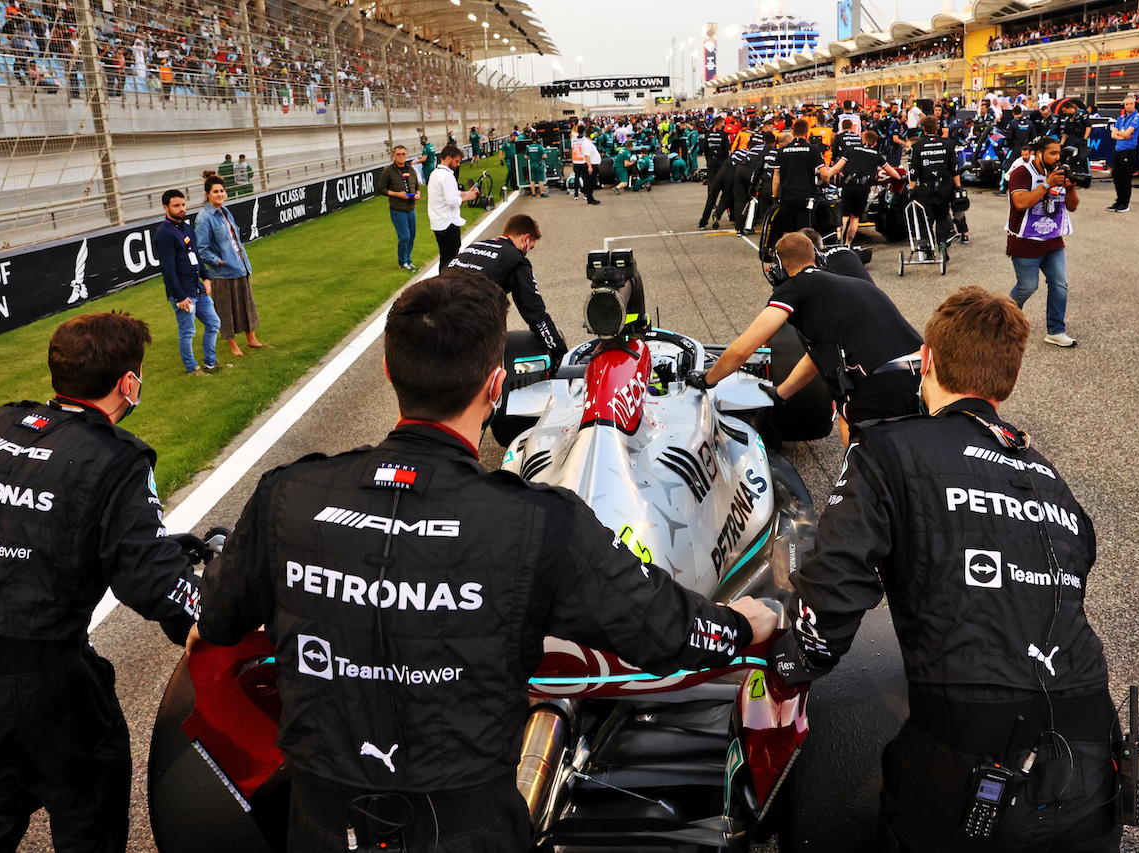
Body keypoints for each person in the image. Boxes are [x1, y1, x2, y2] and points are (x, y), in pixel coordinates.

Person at [196, 271, 774, 853]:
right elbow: (664, 630)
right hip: (468, 827)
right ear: (496, 385)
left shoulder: (286, 495)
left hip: (322, 824)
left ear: (390, 371)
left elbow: (215, 620)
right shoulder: (540, 522)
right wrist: (743, 625)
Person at [756, 286, 1121, 853]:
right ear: (1009, 379)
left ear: (925, 360)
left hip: (967, 764)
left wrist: (776, 657)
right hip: (1096, 755)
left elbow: (824, 617)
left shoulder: (887, 451)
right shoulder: (1052, 478)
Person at [0, 311, 203, 853]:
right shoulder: (118, 458)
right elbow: (150, 579)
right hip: (42, 680)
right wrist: (206, 615)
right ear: (128, 383)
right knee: (90, 810)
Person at [686, 232, 922, 445]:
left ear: (777, 268)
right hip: (924, 373)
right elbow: (818, 357)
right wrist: (781, 394)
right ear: (817, 256)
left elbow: (744, 347)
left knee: (866, 459)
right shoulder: (848, 284)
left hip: (880, 379)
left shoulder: (795, 287)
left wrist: (708, 379)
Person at [447, 214, 567, 365]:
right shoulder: (516, 260)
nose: (528, 250)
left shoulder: (473, 247)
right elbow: (535, 313)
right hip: (466, 329)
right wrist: (560, 351)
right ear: (526, 239)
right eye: (530, 247)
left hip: (432, 315)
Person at [1007, 136, 1081, 348]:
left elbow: (1073, 206)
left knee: (1060, 284)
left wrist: (1071, 187)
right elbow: (1020, 203)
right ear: (1039, 154)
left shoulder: (1060, 173)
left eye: (1059, 153)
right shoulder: (1021, 173)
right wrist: (1047, 185)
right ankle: (1001, 322)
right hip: (1025, 240)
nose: (1058, 157)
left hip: (1052, 240)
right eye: (1053, 153)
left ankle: (1056, 331)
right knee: (1027, 287)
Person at [196, 174, 270, 357]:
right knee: (226, 310)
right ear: (208, 194)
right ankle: (233, 346)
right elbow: (202, 249)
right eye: (216, 192)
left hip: (240, 266)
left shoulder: (224, 211)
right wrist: (220, 262)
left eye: (222, 191)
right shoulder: (204, 218)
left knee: (246, 305)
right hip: (222, 273)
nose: (220, 194)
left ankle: (252, 340)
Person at [155, 189, 220, 375]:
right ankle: (192, 368)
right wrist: (180, 296)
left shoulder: (187, 227)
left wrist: (206, 278)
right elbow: (168, 270)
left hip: (198, 288)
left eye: (183, 204)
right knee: (187, 332)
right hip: (183, 293)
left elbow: (196, 257)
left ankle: (211, 362)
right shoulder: (164, 234)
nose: (182, 209)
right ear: (165, 207)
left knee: (214, 323)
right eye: (176, 206)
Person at [772, 119, 844, 235]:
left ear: (793, 133)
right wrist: (825, 183)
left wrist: (775, 196)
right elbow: (825, 174)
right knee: (804, 232)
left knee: (787, 232)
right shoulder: (813, 150)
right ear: (806, 133)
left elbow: (776, 178)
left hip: (787, 197)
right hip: (805, 196)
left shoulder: (782, 151)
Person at [837, 129, 901, 245]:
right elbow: (894, 173)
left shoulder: (851, 150)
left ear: (863, 139)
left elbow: (836, 168)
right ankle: (847, 244)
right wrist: (899, 178)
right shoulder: (877, 155)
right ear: (875, 143)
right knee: (855, 217)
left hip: (849, 184)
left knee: (845, 215)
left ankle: (839, 240)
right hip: (863, 187)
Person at [908, 115, 963, 249]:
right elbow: (954, 169)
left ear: (924, 129)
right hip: (944, 188)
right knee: (942, 215)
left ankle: (927, 243)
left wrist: (911, 189)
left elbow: (914, 171)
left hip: (926, 189)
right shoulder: (949, 144)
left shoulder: (917, 147)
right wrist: (958, 188)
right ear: (937, 128)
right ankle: (943, 243)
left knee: (926, 217)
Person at [427, 144, 479, 271]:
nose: (458, 164)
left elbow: (450, 194)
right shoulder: (447, 176)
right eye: (457, 161)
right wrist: (468, 197)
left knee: (445, 257)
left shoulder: (435, 173)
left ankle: (444, 283)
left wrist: (467, 192)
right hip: (448, 222)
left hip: (438, 221)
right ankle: (446, 285)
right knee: (450, 259)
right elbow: (451, 200)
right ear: (448, 158)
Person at [379, 144, 421, 272]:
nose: (401, 157)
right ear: (393, 156)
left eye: (403, 154)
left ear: (407, 155)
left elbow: (416, 186)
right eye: (398, 154)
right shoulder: (388, 171)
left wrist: (418, 194)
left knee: (412, 236)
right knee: (404, 237)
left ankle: (408, 260)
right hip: (398, 209)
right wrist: (396, 194)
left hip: (411, 208)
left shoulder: (411, 169)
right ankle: (402, 262)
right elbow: (381, 189)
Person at [1108, 93, 1139, 212]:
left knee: (1125, 177)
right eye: (1126, 104)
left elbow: (1128, 133)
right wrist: (1121, 136)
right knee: (1116, 176)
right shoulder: (1120, 118)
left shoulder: (1137, 117)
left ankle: (1125, 203)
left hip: (1128, 150)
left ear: (1134, 104)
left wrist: (1120, 134)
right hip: (1118, 149)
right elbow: (1113, 134)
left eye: (1131, 104)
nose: (1128, 106)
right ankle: (1118, 201)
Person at [571, 127, 601, 205]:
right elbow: (587, 156)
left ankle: (590, 197)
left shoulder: (588, 143)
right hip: (591, 165)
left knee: (591, 182)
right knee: (590, 183)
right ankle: (590, 198)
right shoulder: (587, 144)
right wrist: (590, 166)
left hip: (592, 164)